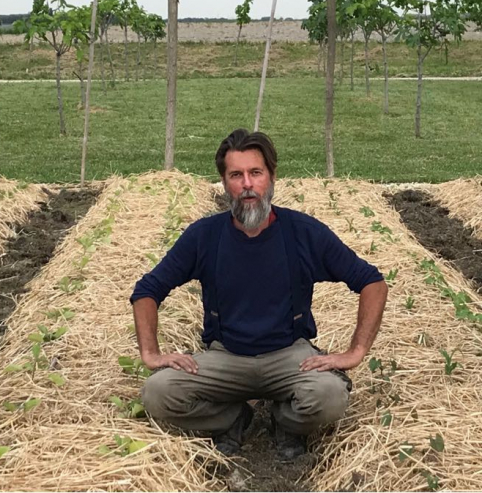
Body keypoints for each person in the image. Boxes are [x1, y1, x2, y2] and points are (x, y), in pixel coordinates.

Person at [130, 129, 387, 460]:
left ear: (272, 177)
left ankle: (286, 422)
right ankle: (235, 417)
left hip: (289, 356)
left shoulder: (303, 233)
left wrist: (356, 351)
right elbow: (148, 290)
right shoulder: (204, 237)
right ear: (224, 182)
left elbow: (372, 282)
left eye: (255, 173)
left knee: (330, 396)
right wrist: (151, 354)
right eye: (236, 175)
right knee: (157, 393)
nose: (247, 184)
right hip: (225, 357)